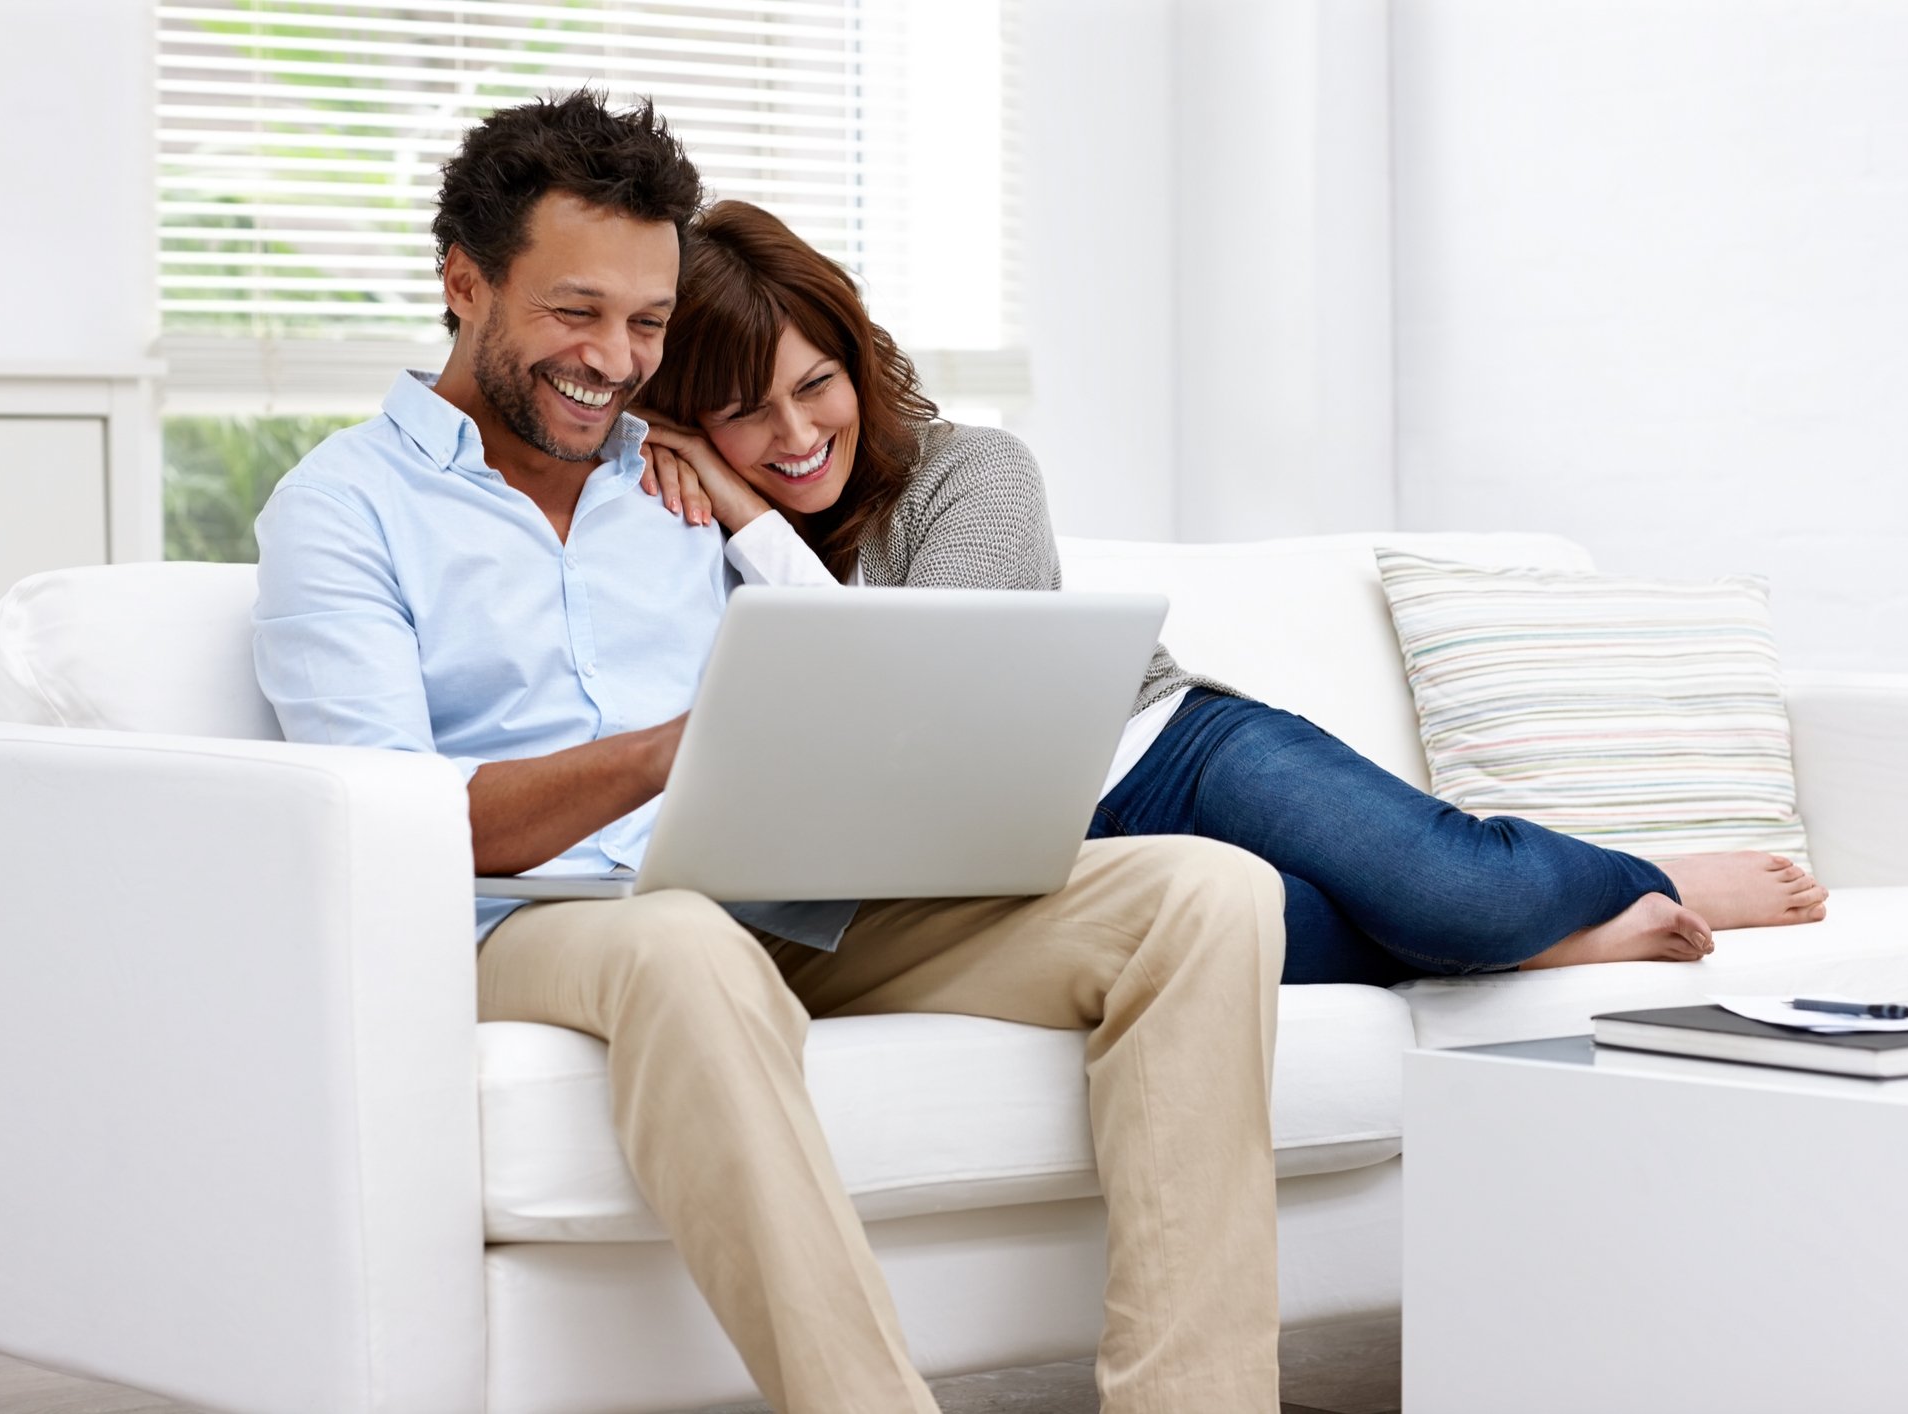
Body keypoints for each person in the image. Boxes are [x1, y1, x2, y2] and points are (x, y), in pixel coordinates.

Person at [250, 93, 1288, 1414]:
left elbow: (845, 688)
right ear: (465, 284)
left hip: (781, 899)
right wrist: (665, 753)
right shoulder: (342, 513)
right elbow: (393, 821)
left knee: (1203, 890)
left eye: (647, 322)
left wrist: (750, 530)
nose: (616, 360)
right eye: (576, 313)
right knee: (679, 937)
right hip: (538, 926)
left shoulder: (675, 482)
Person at [636, 199, 1832, 986]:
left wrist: (751, 518)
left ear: (857, 357)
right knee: (1277, 933)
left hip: (1173, 751)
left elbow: (913, 694)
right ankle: (1543, 940)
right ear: (691, 417)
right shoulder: (678, 538)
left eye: (817, 384)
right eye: (745, 410)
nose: (795, 435)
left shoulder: (971, 470)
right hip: (1055, 861)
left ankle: (1647, 874)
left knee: (1450, 892)